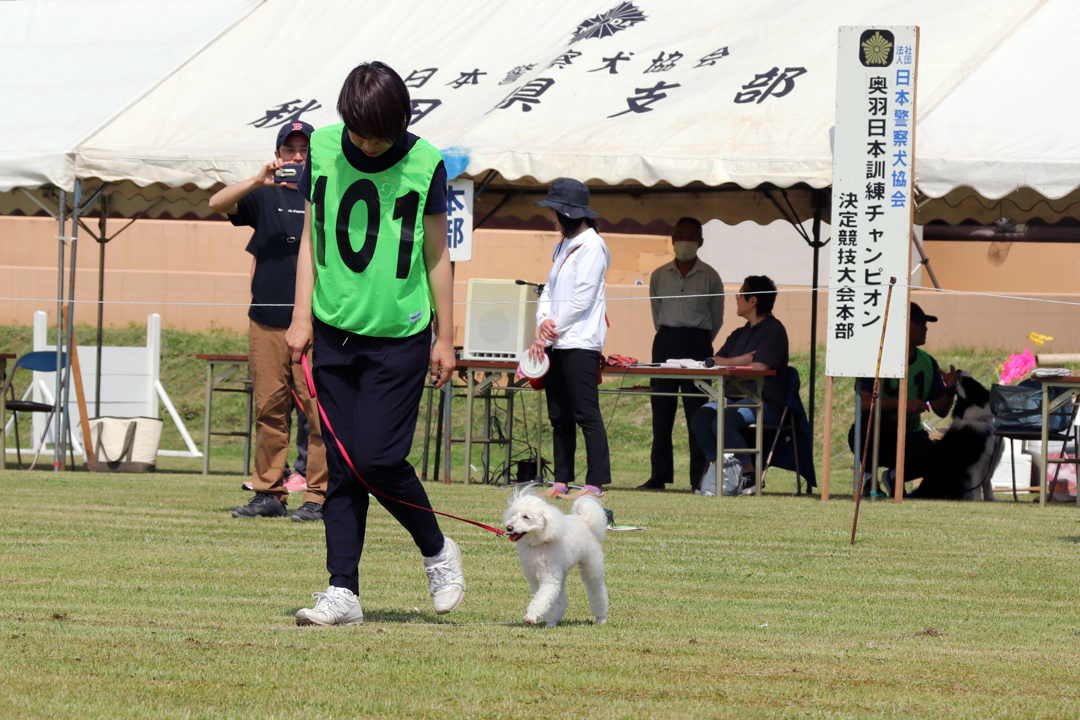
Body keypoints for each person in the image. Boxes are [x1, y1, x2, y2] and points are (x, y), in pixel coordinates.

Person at [285, 61, 462, 626]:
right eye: (358, 130)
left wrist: (446, 337)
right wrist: (300, 316)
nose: (365, 143)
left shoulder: (426, 162)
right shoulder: (323, 147)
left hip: (400, 336)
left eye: (377, 133)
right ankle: (343, 590)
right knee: (340, 464)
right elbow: (312, 236)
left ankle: (436, 549)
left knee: (377, 457)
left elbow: (437, 254)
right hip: (333, 329)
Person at [209, 121, 328, 522]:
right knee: (270, 411)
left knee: (318, 413)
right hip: (265, 321)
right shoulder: (263, 197)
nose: (297, 157)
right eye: (289, 150)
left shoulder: (325, 198)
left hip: (313, 324)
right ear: (278, 155)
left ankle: (319, 496)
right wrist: (259, 177)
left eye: (304, 150)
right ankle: (269, 493)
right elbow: (216, 203)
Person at [527, 178, 612, 495]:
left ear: (568, 213)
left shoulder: (593, 246)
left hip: (580, 341)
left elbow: (583, 298)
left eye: (553, 211)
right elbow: (548, 289)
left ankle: (595, 482)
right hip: (556, 340)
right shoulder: (561, 245)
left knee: (585, 413)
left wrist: (552, 327)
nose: (551, 217)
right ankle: (561, 480)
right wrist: (543, 320)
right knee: (559, 414)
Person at [637, 217, 724, 491]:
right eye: (680, 235)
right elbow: (655, 311)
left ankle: (699, 478)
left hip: (698, 344)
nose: (685, 241)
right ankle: (658, 476)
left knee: (697, 414)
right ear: (673, 240)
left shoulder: (711, 276)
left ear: (700, 242)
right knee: (662, 412)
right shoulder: (659, 275)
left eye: (691, 236)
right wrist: (669, 337)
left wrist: (698, 340)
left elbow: (717, 317)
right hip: (665, 342)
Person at [690, 275, 789, 493]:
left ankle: (749, 473)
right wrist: (739, 362)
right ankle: (722, 471)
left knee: (723, 420)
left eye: (740, 294)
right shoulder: (738, 333)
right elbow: (714, 361)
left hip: (764, 401)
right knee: (700, 418)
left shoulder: (774, 331)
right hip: (731, 398)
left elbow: (761, 368)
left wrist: (738, 366)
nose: (737, 299)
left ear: (752, 301)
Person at [847, 302, 958, 495]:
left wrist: (949, 390)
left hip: (910, 435)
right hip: (879, 434)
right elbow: (863, 402)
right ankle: (869, 481)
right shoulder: (878, 357)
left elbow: (941, 410)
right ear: (902, 326)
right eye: (919, 323)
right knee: (863, 426)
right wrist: (903, 405)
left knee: (936, 457)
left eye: (925, 323)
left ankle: (893, 477)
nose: (925, 328)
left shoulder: (928, 362)